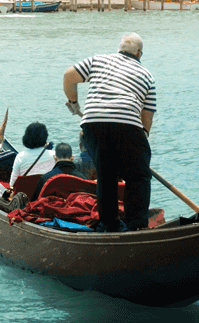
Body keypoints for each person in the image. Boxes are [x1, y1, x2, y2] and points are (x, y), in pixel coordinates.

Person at [63, 33, 157, 232]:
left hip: (92, 123)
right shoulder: (147, 75)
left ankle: (109, 225)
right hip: (128, 124)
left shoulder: (97, 60)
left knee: (106, 176)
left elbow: (68, 76)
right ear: (139, 53)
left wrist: (74, 103)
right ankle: (137, 226)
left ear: (119, 49)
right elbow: (147, 116)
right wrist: (142, 139)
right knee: (139, 176)